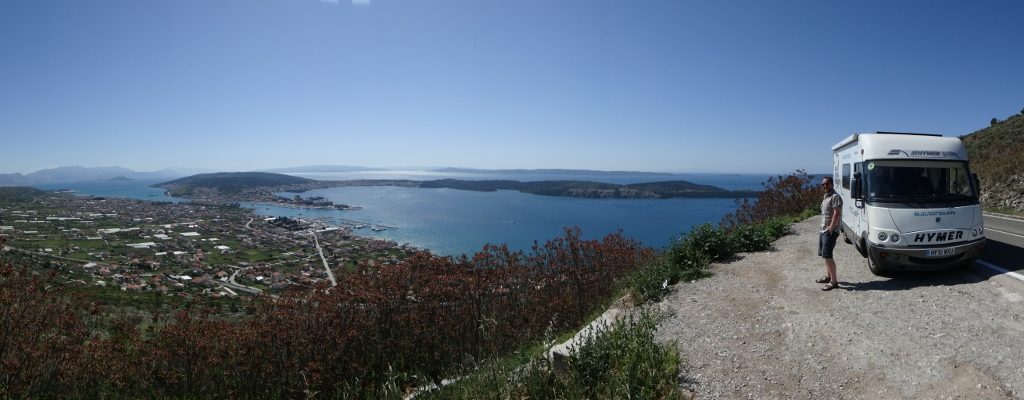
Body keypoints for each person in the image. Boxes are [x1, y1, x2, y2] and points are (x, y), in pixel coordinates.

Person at [817, 176, 843, 291]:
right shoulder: (826, 197)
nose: (825, 186)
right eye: (823, 184)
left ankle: (833, 281)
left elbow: (836, 214)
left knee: (828, 255)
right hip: (823, 230)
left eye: (827, 184)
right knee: (825, 255)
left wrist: (831, 228)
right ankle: (828, 277)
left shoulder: (835, 197)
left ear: (832, 184)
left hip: (830, 231)